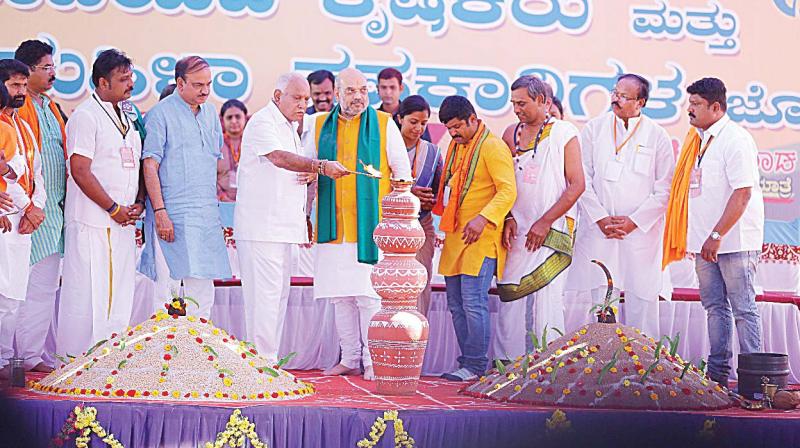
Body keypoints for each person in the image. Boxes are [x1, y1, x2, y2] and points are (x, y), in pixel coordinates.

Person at [303, 67, 411, 380]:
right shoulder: (320, 124)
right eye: (351, 91)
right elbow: (307, 168)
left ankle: (373, 362)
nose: (359, 96)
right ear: (337, 93)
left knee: (368, 297)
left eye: (363, 90)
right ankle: (349, 357)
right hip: (333, 226)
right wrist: (304, 211)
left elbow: (402, 173)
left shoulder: (383, 123)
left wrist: (397, 221)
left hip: (370, 229)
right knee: (340, 296)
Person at [235, 72, 347, 364]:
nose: (302, 105)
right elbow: (278, 158)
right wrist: (319, 166)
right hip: (263, 229)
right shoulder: (263, 122)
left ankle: (265, 363)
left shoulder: (289, 127)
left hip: (282, 228)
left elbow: (289, 171)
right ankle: (263, 365)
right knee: (265, 301)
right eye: (296, 98)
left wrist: (309, 175)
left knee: (277, 299)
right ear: (277, 96)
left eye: (306, 99)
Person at [663, 77, 764, 388]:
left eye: (695, 105)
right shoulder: (698, 140)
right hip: (705, 244)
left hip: (732, 242)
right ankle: (717, 376)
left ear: (716, 107)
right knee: (714, 308)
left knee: (744, 309)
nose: (688, 110)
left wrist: (717, 235)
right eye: (689, 103)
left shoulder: (735, 139)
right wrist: (704, 239)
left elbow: (743, 193)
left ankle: (755, 381)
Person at [567, 74, 675, 338]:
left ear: (641, 102)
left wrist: (634, 221)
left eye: (624, 96)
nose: (615, 98)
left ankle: (646, 367)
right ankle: (601, 361)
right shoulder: (594, 128)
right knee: (602, 300)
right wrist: (601, 218)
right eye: (614, 92)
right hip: (600, 231)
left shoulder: (658, 135)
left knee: (643, 300)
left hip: (640, 234)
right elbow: (583, 179)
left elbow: (665, 188)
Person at [54, 49, 144, 355]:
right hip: (95, 220)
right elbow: (79, 169)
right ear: (103, 83)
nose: (130, 83)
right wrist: (112, 208)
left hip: (122, 221)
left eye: (130, 77)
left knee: (119, 293)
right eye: (123, 79)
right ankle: (76, 363)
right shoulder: (86, 116)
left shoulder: (128, 116)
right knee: (88, 293)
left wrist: (137, 203)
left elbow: (136, 165)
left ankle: (110, 361)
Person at [494, 76, 584, 358]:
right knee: (510, 297)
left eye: (522, 103)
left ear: (543, 101)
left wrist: (544, 222)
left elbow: (577, 184)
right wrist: (508, 217)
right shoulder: (511, 133)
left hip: (551, 229)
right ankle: (506, 365)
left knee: (548, 298)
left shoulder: (564, 132)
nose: (517, 109)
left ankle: (550, 367)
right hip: (517, 230)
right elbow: (503, 181)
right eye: (513, 104)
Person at [139, 56, 232, 318]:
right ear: (180, 83)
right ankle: (164, 355)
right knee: (167, 291)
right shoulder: (160, 114)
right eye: (198, 84)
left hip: (204, 215)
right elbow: (150, 166)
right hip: (172, 215)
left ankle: (199, 352)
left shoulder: (211, 113)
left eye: (209, 84)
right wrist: (160, 212)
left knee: (203, 288)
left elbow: (211, 164)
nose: (205, 90)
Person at [434, 95, 516, 381]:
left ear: (473, 119)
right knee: (455, 304)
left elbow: (508, 190)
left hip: (481, 239)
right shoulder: (457, 147)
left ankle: (476, 366)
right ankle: (466, 363)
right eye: (449, 128)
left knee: (473, 302)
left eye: (458, 126)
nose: (454, 133)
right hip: (456, 236)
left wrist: (484, 218)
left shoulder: (493, 147)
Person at [14, 39, 68, 373]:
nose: (53, 73)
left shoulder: (49, 105)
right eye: (46, 67)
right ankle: (10, 356)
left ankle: (31, 354)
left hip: (53, 211)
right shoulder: (17, 108)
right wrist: (29, 203)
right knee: (16, 287)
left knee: (45, 286)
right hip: (24, 211)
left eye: (53, 66)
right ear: (27, 70)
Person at [0, 80, 45, 379]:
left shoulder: (23, 128)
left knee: (13, 294)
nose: (21, 91)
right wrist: (28, 206)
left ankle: (4, 360)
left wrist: (35, 207)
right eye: (14, 85)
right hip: (7, 214)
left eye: (24, 85)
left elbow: (34, 172)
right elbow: (9, 175)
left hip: (21, 221)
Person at [397, 95, 443, 316]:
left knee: (419, 284)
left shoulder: (432, 152)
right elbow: (372, 186)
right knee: (388, 284)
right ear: (400, 119)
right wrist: (408, 192)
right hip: (388, 225)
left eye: (423, 123)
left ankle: (416, 343)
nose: (418, 128)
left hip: (421, 224)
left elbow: (439, 189)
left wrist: (430, 199)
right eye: (413, 122)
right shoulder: (384, 149)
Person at [217, 99, 247, 202]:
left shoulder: (253, 143)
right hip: (220, 204)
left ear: (245, 118)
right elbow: (208, 178)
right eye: (229, 117)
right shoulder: (215, 145)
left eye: (238, 117)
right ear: (222, 120)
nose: (234, 121)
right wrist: (222, 198)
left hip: (249, 203)